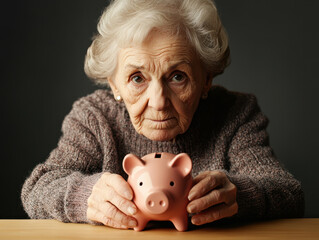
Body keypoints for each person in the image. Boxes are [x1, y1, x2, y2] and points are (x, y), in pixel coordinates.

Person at [21, 0, 304, 230]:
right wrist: (86, 195)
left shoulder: (235, 114)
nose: (158, 103)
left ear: (206, 80)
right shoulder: (95, 117)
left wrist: (238, 194)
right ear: (114, 84)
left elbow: (288, 192)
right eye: (137, 78)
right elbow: (38, 188)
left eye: (177, 76)